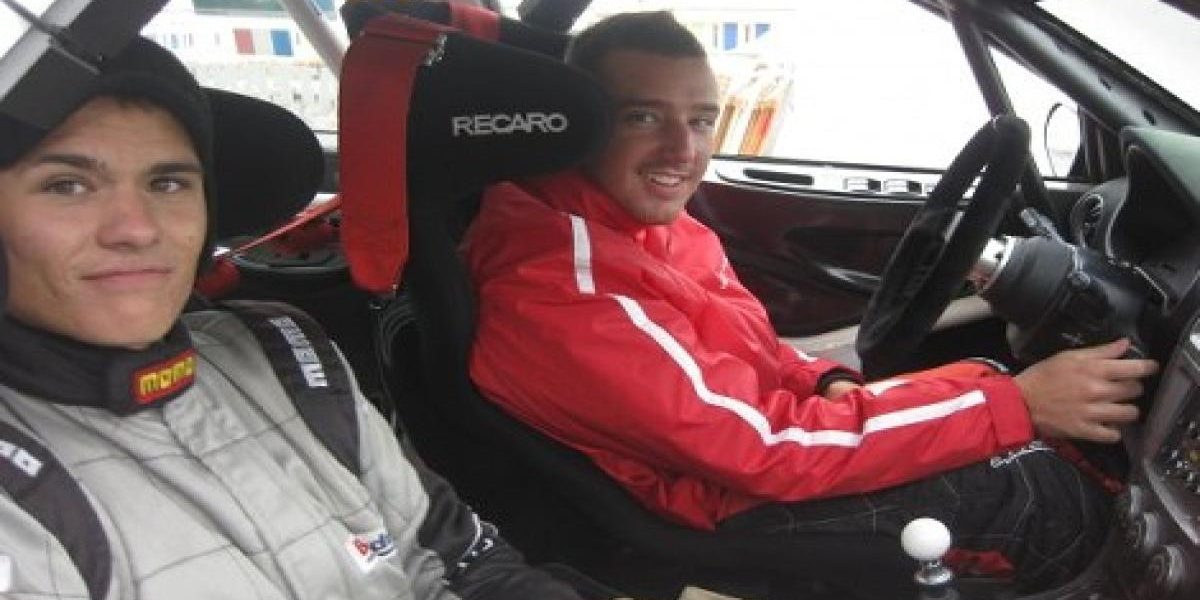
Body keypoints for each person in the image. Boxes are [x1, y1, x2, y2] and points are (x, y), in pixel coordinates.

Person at [463, 11, 1159, 592]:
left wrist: (822, 380)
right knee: (1049, 503)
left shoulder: (646, 226)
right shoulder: (564, 294)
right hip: (724, 504)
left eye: (701, 120)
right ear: (576, 122)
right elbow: (766, 448)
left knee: (1004, 399)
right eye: (642, 116)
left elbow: (752, 356)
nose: (682, 150)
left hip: (751, 455)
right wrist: (1018, 406)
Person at [0, 37, 591, 600]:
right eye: (67, 185)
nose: (137, 228)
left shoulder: (283, 353)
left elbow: (463, 565)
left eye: (168, 182)